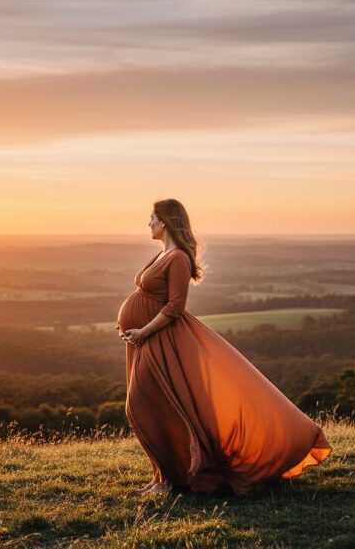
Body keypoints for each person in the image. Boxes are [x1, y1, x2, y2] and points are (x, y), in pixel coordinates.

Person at [116, 198, 332, 495]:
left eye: (151, 217)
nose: (148, 223)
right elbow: (148, 297)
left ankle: (169, 480)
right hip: (144, 340)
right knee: (153, 407)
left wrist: (143, 330)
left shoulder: (177, 257)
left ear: (165, 221)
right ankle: (164, 479)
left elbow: (175, 306)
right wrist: (130, 326)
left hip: (161, 340)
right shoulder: (160, 255)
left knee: (140, 406)